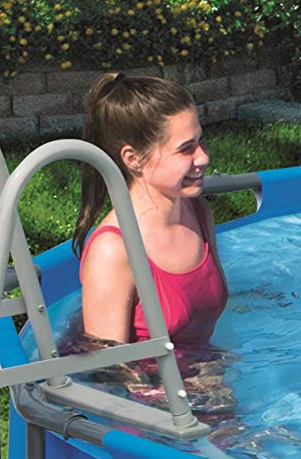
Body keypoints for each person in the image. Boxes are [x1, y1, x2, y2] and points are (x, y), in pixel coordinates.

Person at [64, 72, 232, 413]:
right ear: (133, 159)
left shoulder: (198, 212)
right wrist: (180, 396)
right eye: (186, 149)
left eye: (201, 141)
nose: (203, 157)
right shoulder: (114, 250)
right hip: (152, 414)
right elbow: (108, 368)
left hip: (208, 388)